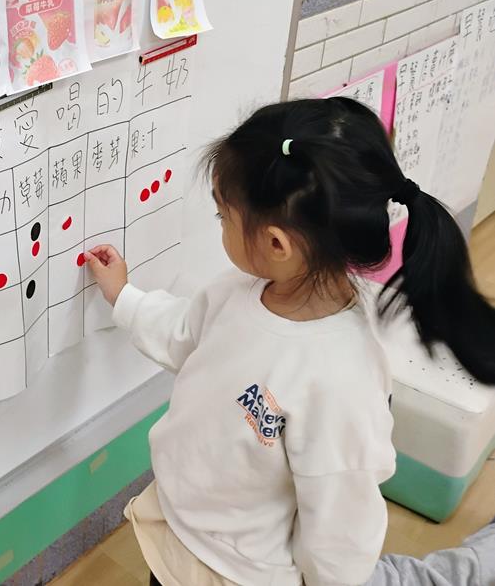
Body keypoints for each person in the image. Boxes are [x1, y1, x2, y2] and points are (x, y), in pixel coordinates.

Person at [85, 97, 495, 586]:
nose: (221, 226)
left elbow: (341, 528)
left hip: (241, 575)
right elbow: (183, 333)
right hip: (179, 531)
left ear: (277, 244)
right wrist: (125, 297)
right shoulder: (238, 292)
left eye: (223, 217)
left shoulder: (342, 377)